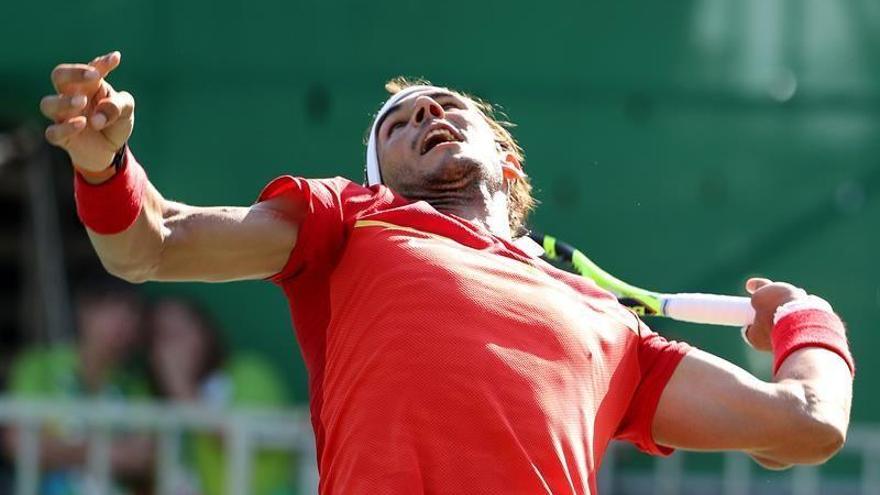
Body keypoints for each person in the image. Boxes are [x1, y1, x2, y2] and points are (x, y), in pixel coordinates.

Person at [40, 51, 854, 494]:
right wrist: (106, 165)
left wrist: (807, 319)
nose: (426, 113)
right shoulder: (352, 220)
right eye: (398, 122)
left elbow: (807, 424)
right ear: (379, 173)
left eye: (444, 106)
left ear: (503, 155)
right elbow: (151, 243)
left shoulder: (611, 326)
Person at [3, 276, 154, 495]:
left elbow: (143, 457)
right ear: (84, 311)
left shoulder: (135, 384)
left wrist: (59, 451)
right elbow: (19, 444)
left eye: (132, 313)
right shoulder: (37, 367)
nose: (124, 322)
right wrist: (112, 454)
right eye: (112, 309)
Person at [146, 297, 294, 495]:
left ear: (205, 333)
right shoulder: (156, 398)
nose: (173, 349)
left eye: (180, 332)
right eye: (164, 336)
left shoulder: (249, 372)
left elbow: (236, 436)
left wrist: (180, 387)